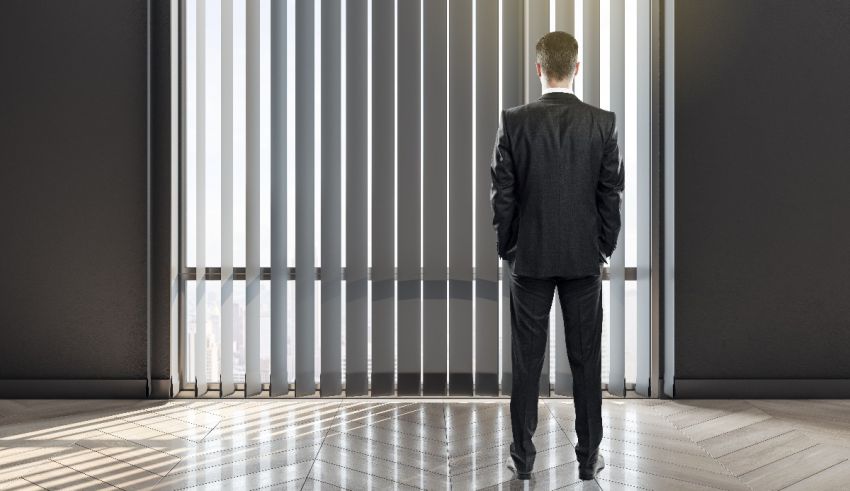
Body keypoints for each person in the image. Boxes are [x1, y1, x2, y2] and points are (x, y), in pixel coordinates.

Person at [490, 30, 624, 481]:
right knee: (586, 359)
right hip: (583, 259)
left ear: (539, 68)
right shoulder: (601, 122)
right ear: (577, 68)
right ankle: (588, 459)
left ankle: (523, 461)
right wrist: (603, 246)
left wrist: (508, 248)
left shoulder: (514, 121)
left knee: (527, 360)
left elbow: (502, 197)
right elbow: (610, 195)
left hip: (529, 259)